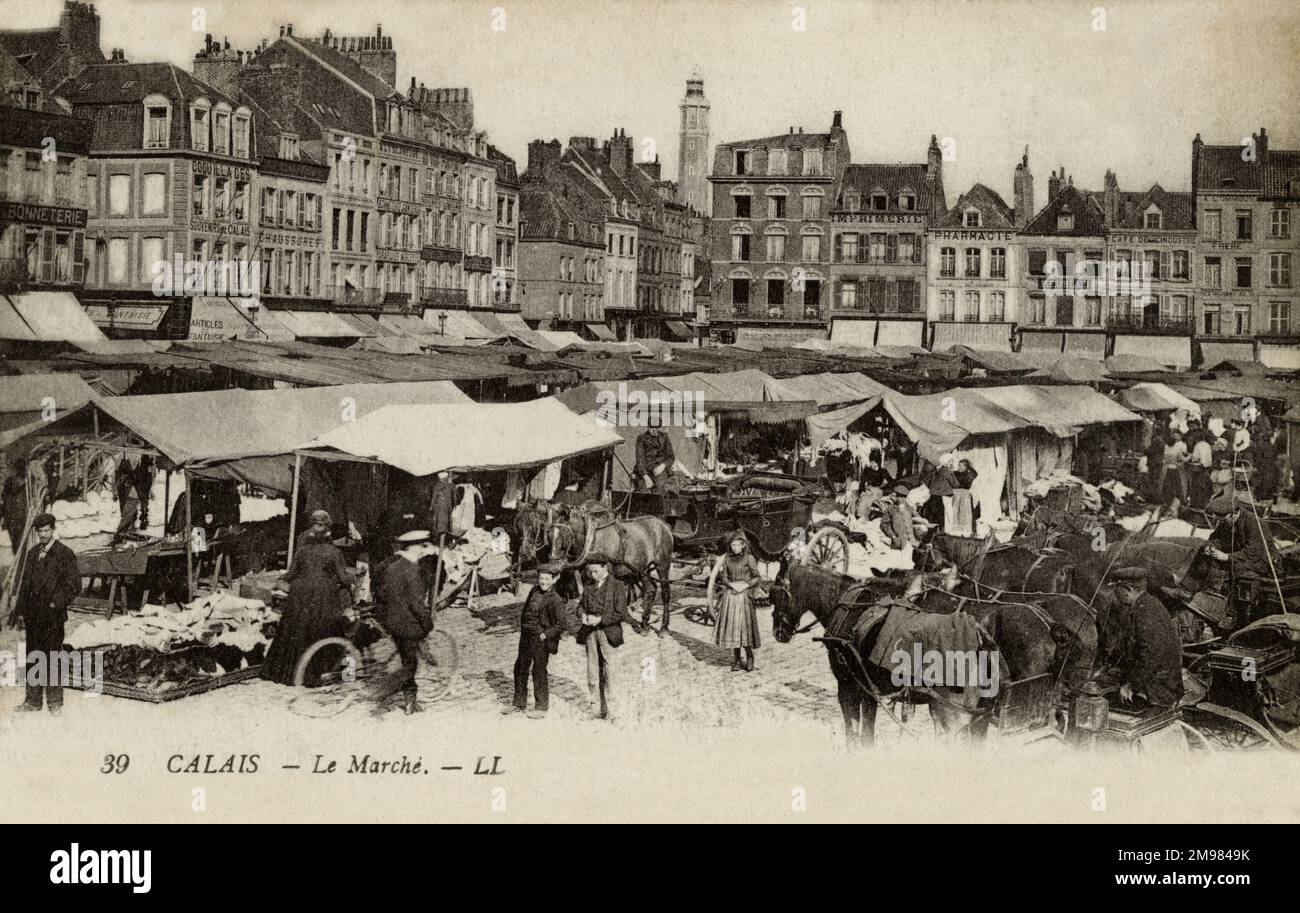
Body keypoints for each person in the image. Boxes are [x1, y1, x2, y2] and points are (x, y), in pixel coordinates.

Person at [262, 510, 352, 686]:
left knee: (296, 630)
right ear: (328, 531)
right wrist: (353, 578)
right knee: (323, 628)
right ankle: (318, 673)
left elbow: (290, 573)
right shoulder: (333, 552)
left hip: (299, 594)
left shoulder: (302, 551)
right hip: (322, 594)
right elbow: (343, 577)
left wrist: (278, 581)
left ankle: (289, 673)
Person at [11, 514, 80, 715]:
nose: (43, 534)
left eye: (46, 530)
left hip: (52, 617)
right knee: (33, 656)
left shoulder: (64, 553)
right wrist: (21, 613)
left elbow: (74, 585)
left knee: (52, 657)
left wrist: (55, 603)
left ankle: (55, 702)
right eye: (39, 531)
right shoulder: (32, 554)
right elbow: (24, 586)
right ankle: (32, 701)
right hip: (33, 616)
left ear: (53, 530)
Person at [1096, 566, 1184, 708]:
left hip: (1159, 689)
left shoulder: (1146, 612)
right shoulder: (1145, 605)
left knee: (1094, 697)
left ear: (1128, 589)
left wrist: (1131, 686)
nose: (1114, 593)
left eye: (1117, 588)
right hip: (1153, 679)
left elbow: (1150, 654)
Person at [370, 529, 436, 714]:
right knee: (410, 666)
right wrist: (427, 622)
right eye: (421, 546)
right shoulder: (412, 570)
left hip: (390, 621)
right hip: (407, 623)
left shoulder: (391, 565)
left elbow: (380, 592)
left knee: (407, 657)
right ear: (413, 547)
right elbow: (416, 603)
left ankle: (410, 702)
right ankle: (385, 691)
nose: (423, 550)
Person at [504, 562, 566, 718]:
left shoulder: (556, 600)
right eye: (541, 578)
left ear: (555, 579)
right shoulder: (534, 591)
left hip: (540, 639)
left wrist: (545, 635)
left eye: (547, 579)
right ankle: (519, 703)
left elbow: (561, 624)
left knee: (539, 671)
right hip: (526, 636)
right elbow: (526, 611)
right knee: (520, 668)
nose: (543, 582)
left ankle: (541, 706)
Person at [576, 557, 628, 721]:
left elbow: (621, 614)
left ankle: (613, 711)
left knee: (610, 672)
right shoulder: (589, 586)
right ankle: (595, 709)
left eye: (595, 571)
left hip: (608, 633)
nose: (592, 574)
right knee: (592, 671)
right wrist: (582, 615)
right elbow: (580, 606)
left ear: (606, 568)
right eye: (590, 571)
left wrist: (600, 620)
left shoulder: (617, 586)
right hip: (590, 634)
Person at [1203, 495, 1278, 588]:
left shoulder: (1254, 523)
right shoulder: (1227, 520)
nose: (1222, 523)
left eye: (1224, 520)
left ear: (1235, 513)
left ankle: (1227, 594)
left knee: (1237, 568)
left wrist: (1228, 557)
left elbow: (1253, 553)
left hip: (1262, 562)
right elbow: (1216, 538)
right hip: (1240, 555)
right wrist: (1210, 547)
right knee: (1204, 557)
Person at [714, 533, 762, 672]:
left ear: (743, 545)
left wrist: (746, 585)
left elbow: (756, 577)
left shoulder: (749, 558)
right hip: (731, 595)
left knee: (744, 627)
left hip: (744, 596)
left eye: (738, 545)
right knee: (732, 628)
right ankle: (736, 659)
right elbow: (723, 576)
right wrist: (730, 584)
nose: (735, 548)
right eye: (732, 545)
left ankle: (749, 656)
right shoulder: (727, 559)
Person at [635, 422, 676, 491]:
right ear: (648, 427)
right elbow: (640, 459)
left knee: (660, 488)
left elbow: (671, 457)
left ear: (659, 428)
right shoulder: (641, 438)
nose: (654, 430)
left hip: (659, 470)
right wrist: (645, 476)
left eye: (656, 428)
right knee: (643, 492)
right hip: (645, 469)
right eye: (651, 428)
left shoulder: (664, 437)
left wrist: (662, 466)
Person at [1, 456, 28, 556]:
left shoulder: (29, 480)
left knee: (20, 540)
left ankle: (21, 560)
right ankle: (18, 560)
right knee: (16, 541)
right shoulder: (12, 481)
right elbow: (6, 497)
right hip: (15, 516)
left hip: (22, 515)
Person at [1161, 430, 1189, 510]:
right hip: (1174, 468)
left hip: (1166, 468)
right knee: (1178, 485)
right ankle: (1182, 501)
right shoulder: (1176, 449)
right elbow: (1183, 459)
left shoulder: (1166, 448)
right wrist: (1190, 456)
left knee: (1167, 485)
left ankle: (1167, 500)